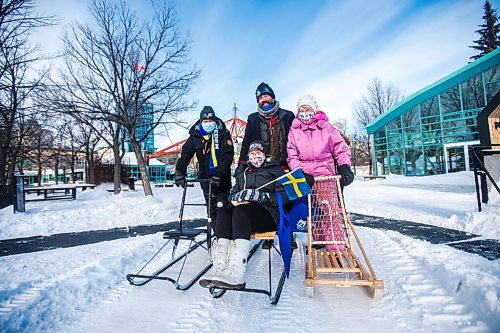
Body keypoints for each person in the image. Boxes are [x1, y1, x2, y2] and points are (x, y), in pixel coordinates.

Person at [202, 141, 289, 289]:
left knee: (240, 212)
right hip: (243, 214)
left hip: (267, 215)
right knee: (224, 212)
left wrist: (262, 196)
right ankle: (219, 267)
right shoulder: (243, 171)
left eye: (259, 155)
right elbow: (232, 195)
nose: (256, 158)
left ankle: (237, 271)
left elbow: (286, 197)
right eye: (253, 155)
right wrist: (236, 197)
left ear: (265, 156)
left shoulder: (275, 171)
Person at [286, 95, 354, 250]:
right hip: (305, 176)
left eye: (308, 109)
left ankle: (335, 247)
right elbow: (292, 155)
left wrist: (344, 166)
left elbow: (341, 149)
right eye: (301, 109)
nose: (305, 112)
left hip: (325, 174)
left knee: (330, 210)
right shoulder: (294, 130)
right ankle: (319, 240)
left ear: (314, 110)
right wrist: (299, 173)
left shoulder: (326, 127)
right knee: (313, 211)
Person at [175, 106, 234, 222]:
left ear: (215, 121)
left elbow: (227, 156)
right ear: (201, 122)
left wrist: (219, 174)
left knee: (223, 207)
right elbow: (186, 154)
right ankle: (216, 235)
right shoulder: (195, 136)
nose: (208, 123)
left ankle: (225, 235)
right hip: (205, 178)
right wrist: (180, 172)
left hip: (222, 179)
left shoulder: (223, 134)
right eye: (205, 121)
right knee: (211, 210)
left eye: (210, 121)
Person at [238, 82, 295, 170]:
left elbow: (295, 141)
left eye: (266, 96)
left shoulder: (288, 116)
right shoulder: (253, 119)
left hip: (285, 167)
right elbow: (246, 142)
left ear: (273, 97)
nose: (264, 100)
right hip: (262, 168)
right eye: (260, 98)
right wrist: (241, 163)